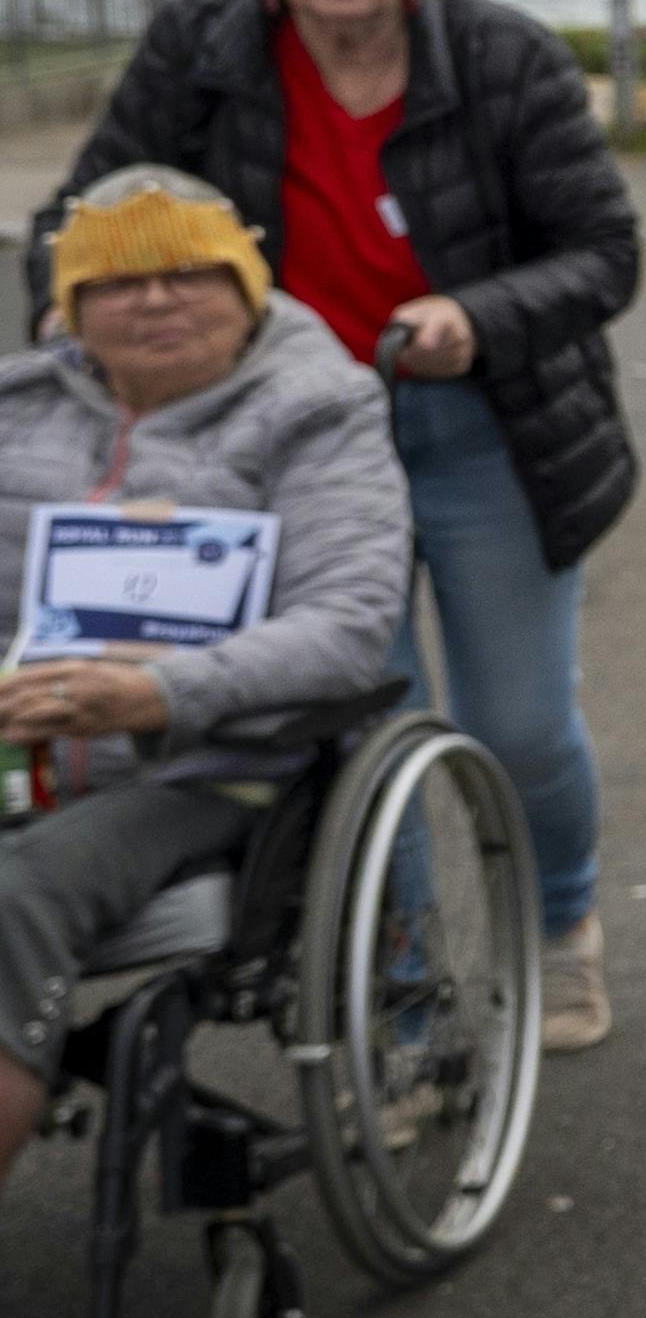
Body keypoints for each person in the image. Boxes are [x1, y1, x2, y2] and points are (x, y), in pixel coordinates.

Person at [33, 0, 642, 1049]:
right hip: (289, 434)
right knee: (357, 728)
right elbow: (84, 215)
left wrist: (475, 312)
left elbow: (603, 253)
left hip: (485, 425)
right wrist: (75, 309)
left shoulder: (502, 55)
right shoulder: (198, 51)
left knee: (519, 722)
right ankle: (405, 985)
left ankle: (560, 924)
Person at [0, 172, 416, 1163]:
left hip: (207, 765)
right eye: (119, 281)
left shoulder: (316, 412)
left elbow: (350, 623)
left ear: (247, 289)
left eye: (190, 272)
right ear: (68, 306)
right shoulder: (18, 412)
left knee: (16, 891)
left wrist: (155, 692)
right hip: (24, 745)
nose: (155, 299)